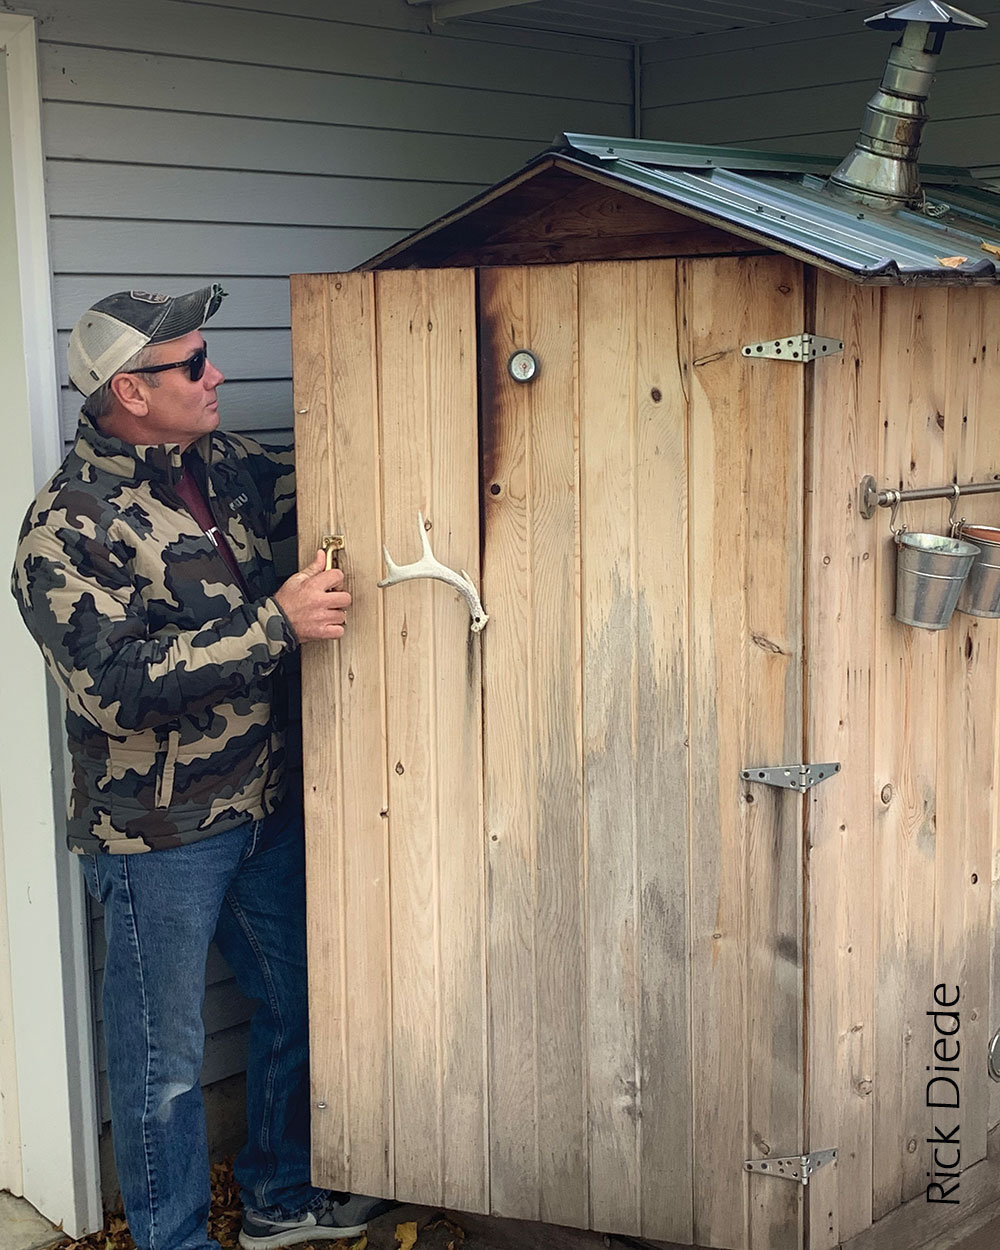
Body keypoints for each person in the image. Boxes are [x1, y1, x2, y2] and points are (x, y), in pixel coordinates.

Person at [11, 285, 388, 1250]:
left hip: (260, 805)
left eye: (205, 354)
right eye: (191, 365)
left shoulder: (219, 466)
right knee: (163, 1063)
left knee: (306, 997)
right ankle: (172, 1239)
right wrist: (275, 624)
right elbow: (116, 689)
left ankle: (277, 1191)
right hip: (157, 837)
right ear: (129, 392)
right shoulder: (67, 528)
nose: (216, 374)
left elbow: (335, 486)